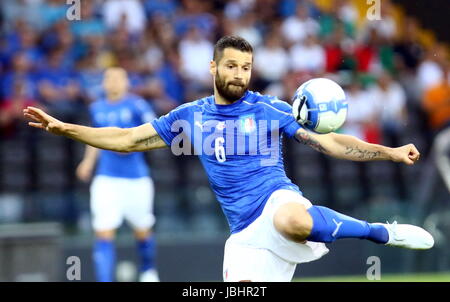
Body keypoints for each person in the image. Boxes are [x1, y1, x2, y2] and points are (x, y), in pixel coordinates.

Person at [24, 36, 434, 282]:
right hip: (243, 232)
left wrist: (390, 152)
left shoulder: (270, 108)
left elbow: (330, 144)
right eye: (232, 66)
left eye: (247, 67)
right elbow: (127, 139)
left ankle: (381, 232)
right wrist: (64, 128)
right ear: (214, 67)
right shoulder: (189, 116)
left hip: (277, 200)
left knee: (292, 219)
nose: (240, 74)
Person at [75, 67, 159, 282]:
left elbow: (156, 132)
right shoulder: (96, 108)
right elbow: (94, 138)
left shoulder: (137, 105)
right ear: (103, 83)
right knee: (103, 231)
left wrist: (131, 145)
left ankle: (148, 272)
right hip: (107, 179)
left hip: (136, 179)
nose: (112, 82)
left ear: (126, 82)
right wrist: (87, 162)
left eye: (117, 78)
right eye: (108, 78)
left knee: (142, 230)